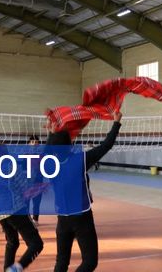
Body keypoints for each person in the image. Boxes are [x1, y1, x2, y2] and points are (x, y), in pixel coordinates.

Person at [47, 111, 122, 272]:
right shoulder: (80, 160)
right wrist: (116, 122)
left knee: (61, 263)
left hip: (62, 219)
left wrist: (51, 135)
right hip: (82, 218)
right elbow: (105, 146)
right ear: (70, 146)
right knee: (89, 262)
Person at [0, 139, 44, 272]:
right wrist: (39, 184)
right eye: (1, 144)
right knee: (36, 244)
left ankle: (7, 269)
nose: (4, 144)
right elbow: (25, 188)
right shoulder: (9, 164)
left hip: (0, 212)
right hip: (15, 210)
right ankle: (17, 268)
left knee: (12, 242)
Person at [28, 135, 43, 226]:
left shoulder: (41, 156)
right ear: (29, 143)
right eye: (32, 142)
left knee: (36, 203)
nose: (34, 143)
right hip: (27, 184)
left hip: (38, 183)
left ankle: (35, 220)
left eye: (36, 142)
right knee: (26, 203)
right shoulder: (25, 155)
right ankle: (27, 219)